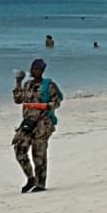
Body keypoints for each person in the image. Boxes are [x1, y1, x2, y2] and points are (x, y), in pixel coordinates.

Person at [12, 58, 63, 193]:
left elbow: (57, 102)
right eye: (33, 69)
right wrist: (18, 82)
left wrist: (44, 106)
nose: (35, 72)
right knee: (19, 148)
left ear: (42, 71)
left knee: (38, 153)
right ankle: (30, 178)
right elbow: (18, 100)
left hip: (43, 122)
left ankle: (40, 183)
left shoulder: (49, 86)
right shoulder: (27, 85)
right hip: (28, 121)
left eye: (38, 69)